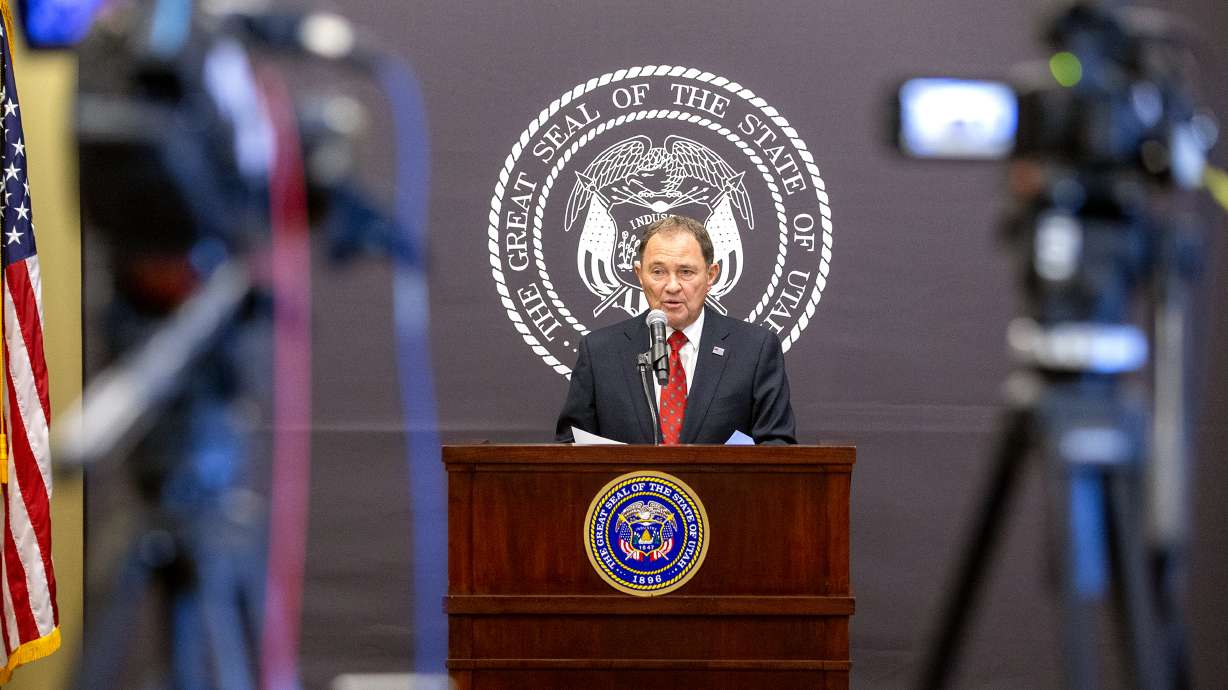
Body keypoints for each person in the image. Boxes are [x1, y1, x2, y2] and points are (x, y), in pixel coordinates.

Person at [555, 215, 797, 444]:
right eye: (658, 272)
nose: (672, 286)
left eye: (686, 272)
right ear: (640, 275)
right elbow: (572, 445)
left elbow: (776, 448)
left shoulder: (754, 349)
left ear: (711, 275)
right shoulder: (600, 352)